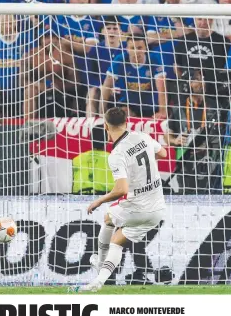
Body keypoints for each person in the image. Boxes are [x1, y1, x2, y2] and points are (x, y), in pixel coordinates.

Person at [69, 107, 168, 292]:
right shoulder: (143, 137)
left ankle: (99, 261)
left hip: (136, 208)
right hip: (157, 210)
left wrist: (98, 200)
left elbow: (121, 189)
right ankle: (99, 280)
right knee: (116, 242)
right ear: (127, 123)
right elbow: (163, 154)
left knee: (107, 216)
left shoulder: (117, 154)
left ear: (106, 126)